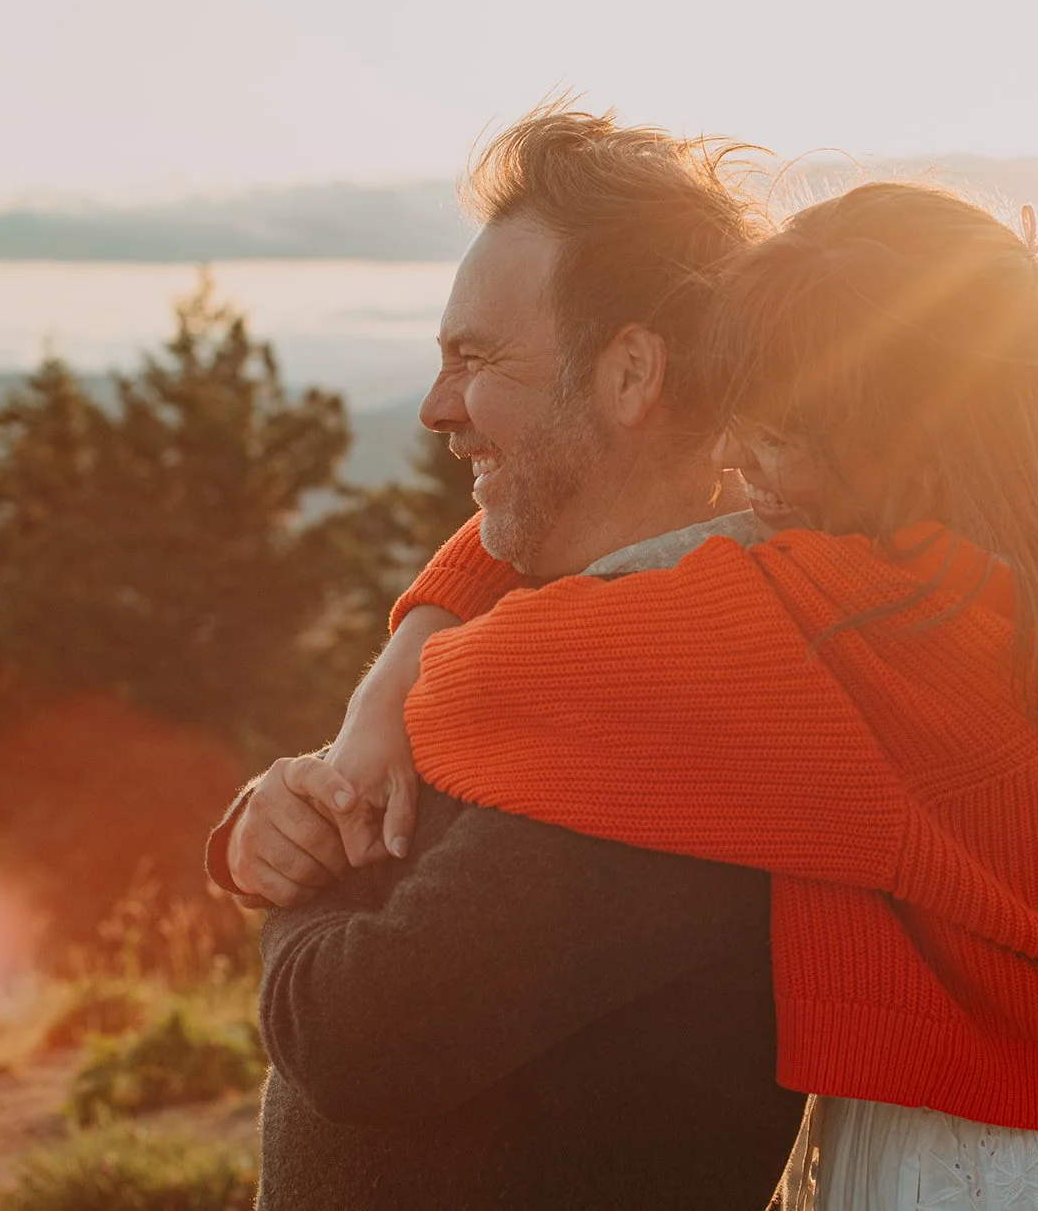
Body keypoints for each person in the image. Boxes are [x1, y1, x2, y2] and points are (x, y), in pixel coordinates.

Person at [317, 183, 1038, 1208]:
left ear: (897, 435)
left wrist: (379, 709)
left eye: (773, 433)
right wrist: (427, 617)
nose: (727, 460)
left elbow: (470, 689)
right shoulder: (1036, 577)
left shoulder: (844, 627)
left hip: (968, 1170)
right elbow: (576, 518)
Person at [205, 106, 808, 1210]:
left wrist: (304, 883)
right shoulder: (568, 619)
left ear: (631, 374)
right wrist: (273, 812)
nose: (437, 408)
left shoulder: (677, 680)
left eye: (476, 359)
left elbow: (367, 1035)